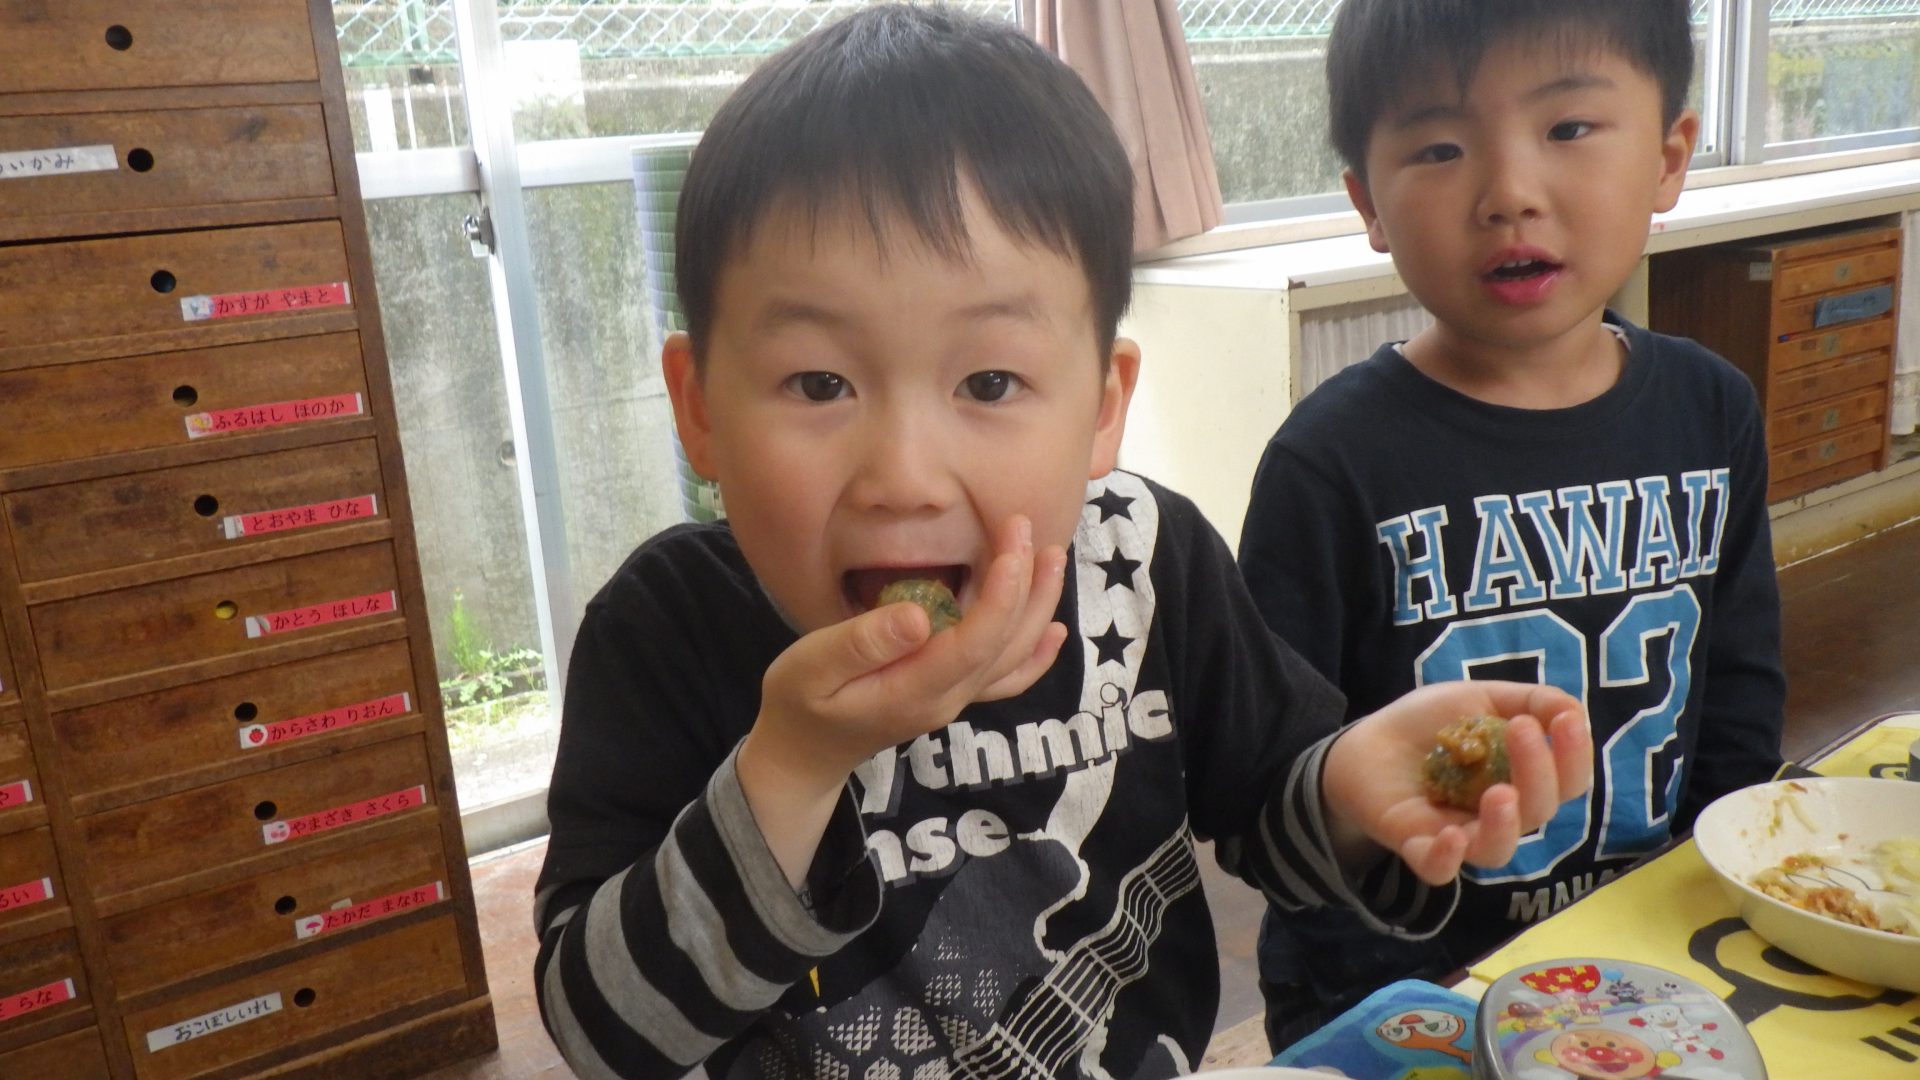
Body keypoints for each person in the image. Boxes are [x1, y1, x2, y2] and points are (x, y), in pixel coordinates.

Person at [533, 7, 1591, 1078]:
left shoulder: (1147, 562)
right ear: (699, 406)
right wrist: (793, 765)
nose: (904, 476)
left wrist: (1353, 787)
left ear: (1100, 407)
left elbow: (1271, 806)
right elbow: (602, 1034)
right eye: (819, 383)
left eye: (989, 381)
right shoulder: (663, 629)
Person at [1237, 0, 1787, 1053]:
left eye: (1568, 127)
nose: (1509, 193)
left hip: (1649, 962)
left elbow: (1739, 691)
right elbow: (1277, 793)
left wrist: (1713, 903)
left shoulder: (1712, 409)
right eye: (1440, 149)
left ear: (1669, 157)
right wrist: (1384, 992)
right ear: (1369, 203)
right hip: (1403, 992)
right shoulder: (1329, 462)